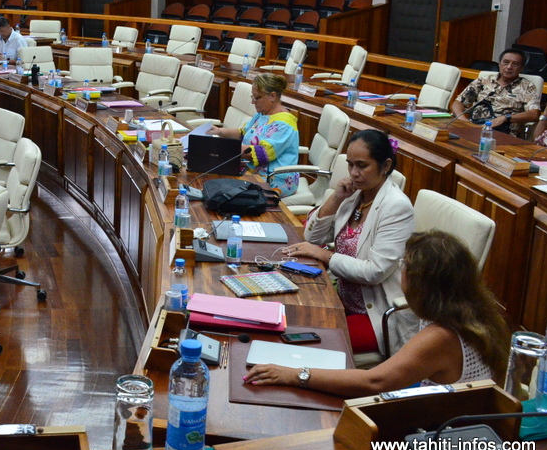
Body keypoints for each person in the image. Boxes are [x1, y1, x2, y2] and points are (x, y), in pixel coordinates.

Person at [244, 230, 510, 396]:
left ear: (421, 283)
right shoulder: (477, 311)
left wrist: (294, 375)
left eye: (404, 266)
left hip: (441, 431)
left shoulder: (441, 335)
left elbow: (375, 381)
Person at [283, 129, 417, 356]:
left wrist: (325, 256)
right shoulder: (355, 195)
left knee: (309, 345)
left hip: (374, 314)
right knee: (289, 320)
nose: (354, 173)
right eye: (350, 165)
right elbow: (312, 238)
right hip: (340, 299)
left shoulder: (396, 207)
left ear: (385, 166)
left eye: (362, 166)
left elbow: (374, 272)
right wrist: (336, 198)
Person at [206, 73, 300, 197]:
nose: (252, 101)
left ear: (272, 96)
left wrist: (222, 148)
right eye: (252, 96)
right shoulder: (262, 115)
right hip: (253, 171)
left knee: (224, 191)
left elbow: (262, 153)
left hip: (275, 179)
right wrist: (219, 132)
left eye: (256, 97)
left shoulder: (284, 124)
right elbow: (244, 133)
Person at [451, 48, 540, 136]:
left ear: (521, 68)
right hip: (474, 128)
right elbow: (458, 103)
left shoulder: (527, 86)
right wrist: (463, 120)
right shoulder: (484, 81)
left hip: (504, 134)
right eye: (505, 62)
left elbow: (534, 114)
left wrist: (505, 118)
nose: (509, 67)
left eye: (515, 64)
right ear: (499, 65)